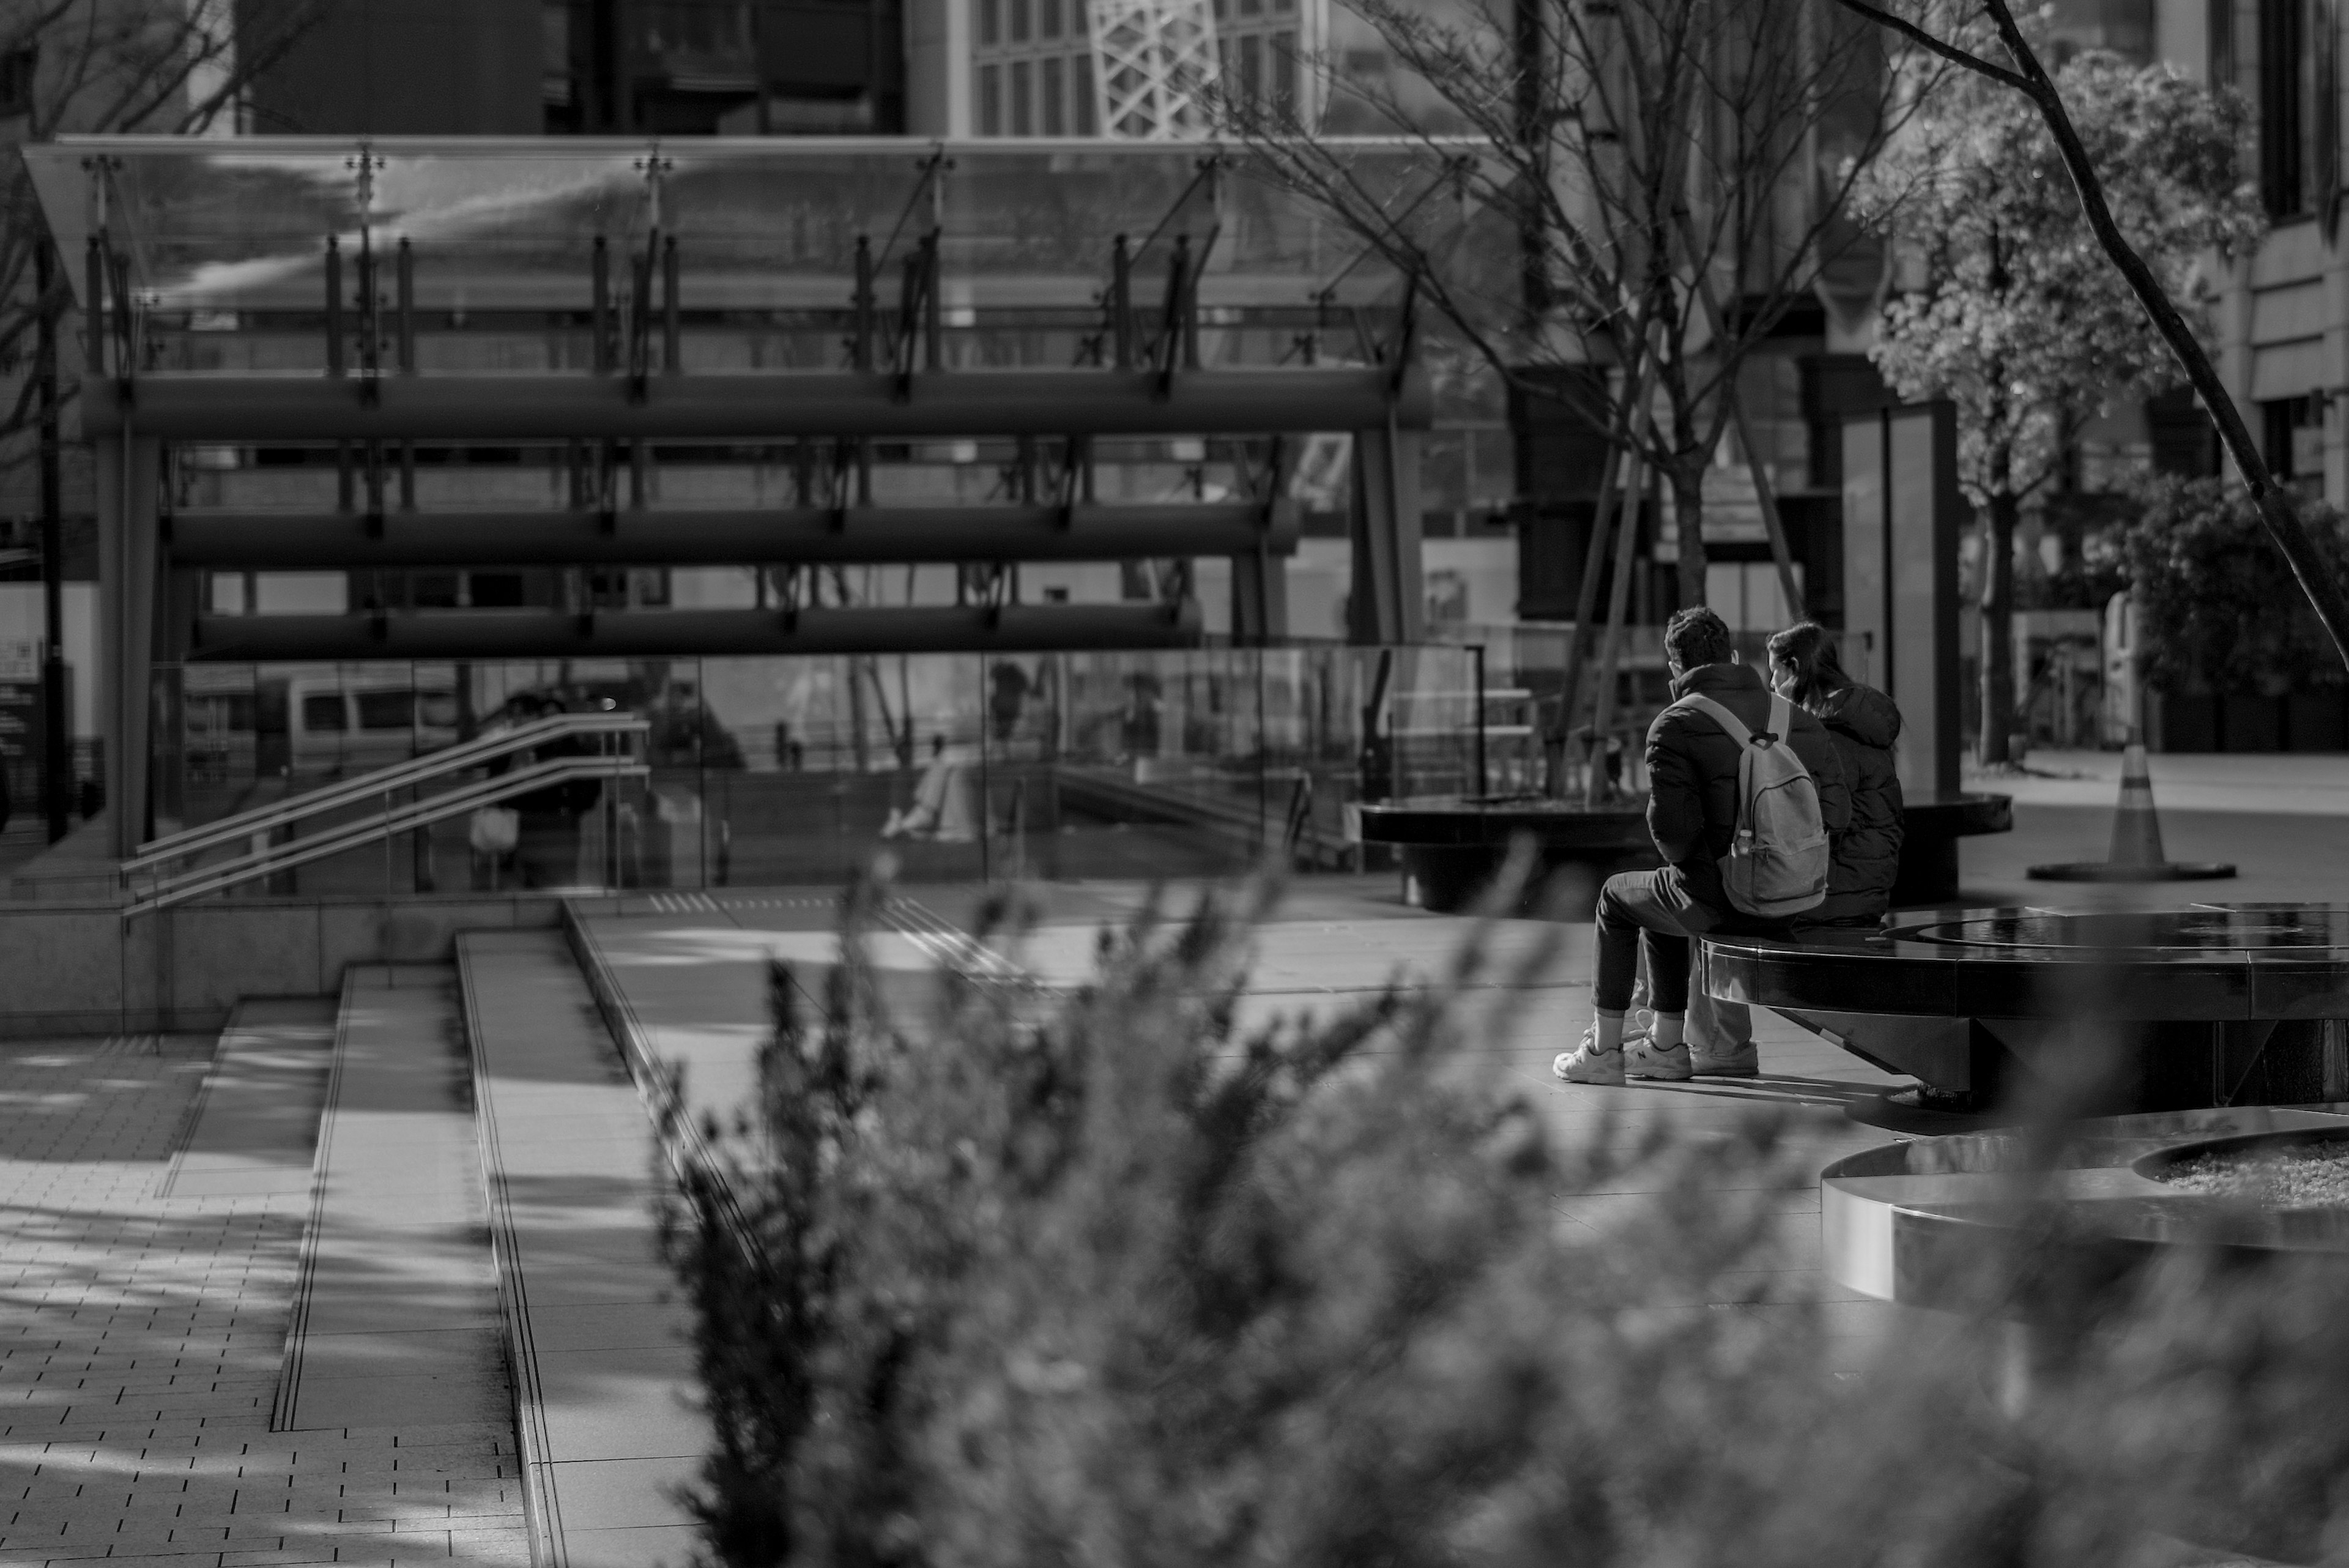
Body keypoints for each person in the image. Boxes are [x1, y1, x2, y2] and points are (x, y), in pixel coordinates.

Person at [1554, 607, 1850, 1086]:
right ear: (1733, 656)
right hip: (1799, 897)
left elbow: (1673, 834)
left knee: (1618, 896)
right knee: (1661, 892)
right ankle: (1665, 1047)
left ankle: (1607, 1050)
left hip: (1725, 900)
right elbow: (1838, 815)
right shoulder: (1798, 719)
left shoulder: (1673, 725)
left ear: (1676, 668)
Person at [1768, 622, 1904, 929]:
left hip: (1834, 896)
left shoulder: (1825, 735)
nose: (1772, 683)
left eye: (1775, 671)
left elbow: (1826, 819)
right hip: (1867, 887)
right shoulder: (1853, 723)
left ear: (1794, 669)